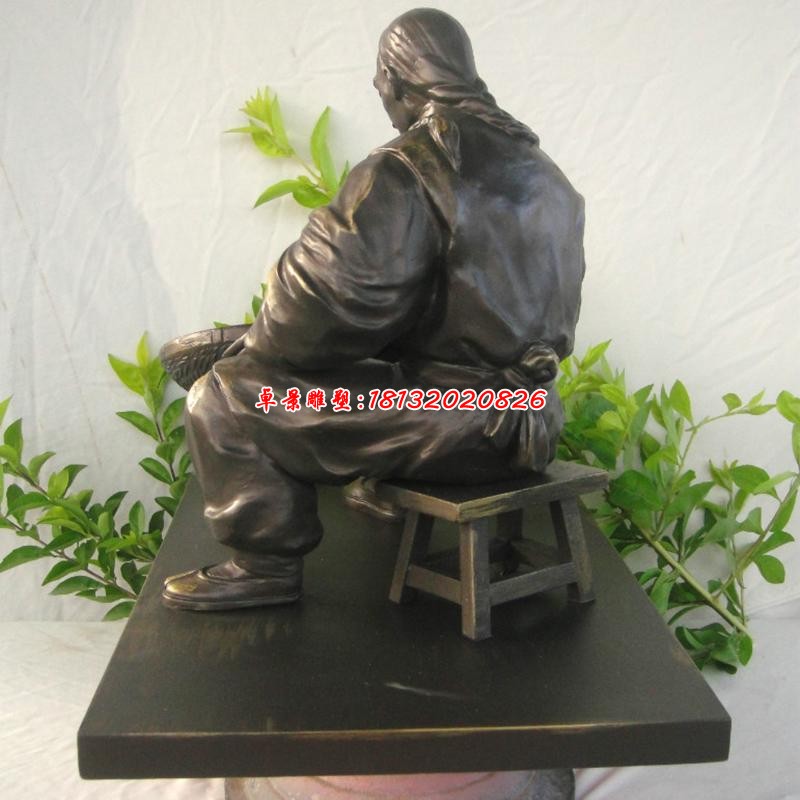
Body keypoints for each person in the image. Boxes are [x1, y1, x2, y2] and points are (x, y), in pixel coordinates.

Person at [162, 8, 586, 611]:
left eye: (379, 81)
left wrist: (250, 341)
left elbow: (314, 312)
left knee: (225, 395)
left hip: (458, 419)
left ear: (394, 76)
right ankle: (377, 486)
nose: (381, 94)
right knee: (367, 376)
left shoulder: (411, 166)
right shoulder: (550, 178)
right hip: (534, 411)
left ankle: (264, 566)